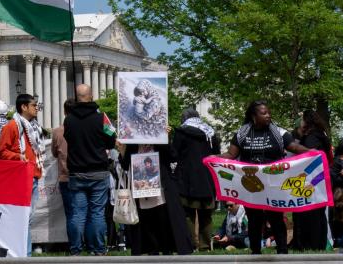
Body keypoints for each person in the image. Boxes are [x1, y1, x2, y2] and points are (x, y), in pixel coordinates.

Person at [222, 99, 308, 255]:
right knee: (254, 219)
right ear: (254, 116)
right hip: (250, 183)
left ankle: (282, 251)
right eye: (264, 113)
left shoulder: (279, 132)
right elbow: (231, 154)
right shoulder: (242, 133)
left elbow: (293, 147)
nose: (268, 115)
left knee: (275, 217)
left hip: (273, 182)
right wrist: (213, 157)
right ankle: (255, 252)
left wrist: (311, 152)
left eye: (269, 112)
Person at [64, 84, 116, 256]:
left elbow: (68, 138)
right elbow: (111, 141)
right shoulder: (102, 118)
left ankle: (76, 249)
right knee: (97, 213)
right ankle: (98, 249)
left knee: (78, 214)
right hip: (98, 171)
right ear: (91, 96)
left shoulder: (68, 119)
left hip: (77, 172)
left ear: (77, 97)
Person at [124, 143, 193, 255]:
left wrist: (165, 139)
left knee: (163, 218)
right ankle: (152, 248)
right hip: (142, 190)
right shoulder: (133, 144)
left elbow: (173, 156)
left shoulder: (160, 142)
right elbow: (125, 164)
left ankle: (166, 248)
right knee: (146, 220)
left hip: (161, 186)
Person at [0, 93, 44, 256]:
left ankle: (24, 253)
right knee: (23, 219)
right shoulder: (11, 126)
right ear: (24, 107)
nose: (37, 107)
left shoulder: (34, 127)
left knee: (26, 219)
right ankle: (25, 254)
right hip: (21, 177)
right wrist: (18, 157)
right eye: (34, 105)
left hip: (33, 176)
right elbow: (2, 151)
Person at [172, 107, 220, 251]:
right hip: (207, 179)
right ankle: (205, 245)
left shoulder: (181, 132)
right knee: (206, 216)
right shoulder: (210, 133)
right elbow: (216, 153)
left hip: (187, 180)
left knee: (188, 214)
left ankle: (191, 244)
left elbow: (174, 153)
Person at [292, 110, 332, 251]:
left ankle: (310, 244)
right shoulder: (321, 135)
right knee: (319, 214)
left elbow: (308, 158)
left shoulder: (311, 138)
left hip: (312, 181)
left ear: (306, 121)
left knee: (310, 214)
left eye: (301, 119)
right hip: (320, 180)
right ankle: (318, 244)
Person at [51, 98, 76, 244]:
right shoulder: (83, 127)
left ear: (65, 111)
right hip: (82, 174)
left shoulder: (57, 131)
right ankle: (90, 244)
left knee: (71, 214)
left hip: (65, 176)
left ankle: (74, 245)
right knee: (87, 212)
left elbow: (54, 153)